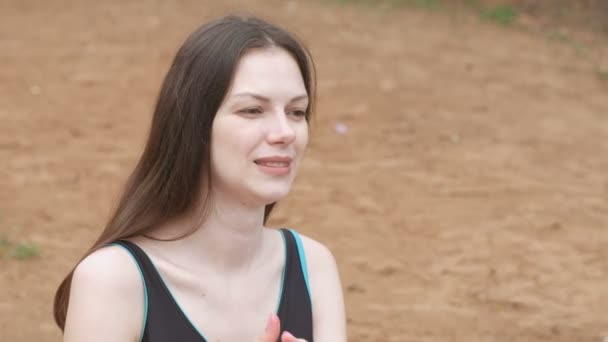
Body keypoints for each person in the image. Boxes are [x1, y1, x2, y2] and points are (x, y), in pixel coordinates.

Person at [53, 14, 347, 342]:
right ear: (194, 125)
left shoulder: (314, 267)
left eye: (296, 112)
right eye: (252, 110)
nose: (285, 132)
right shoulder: (112, 280)